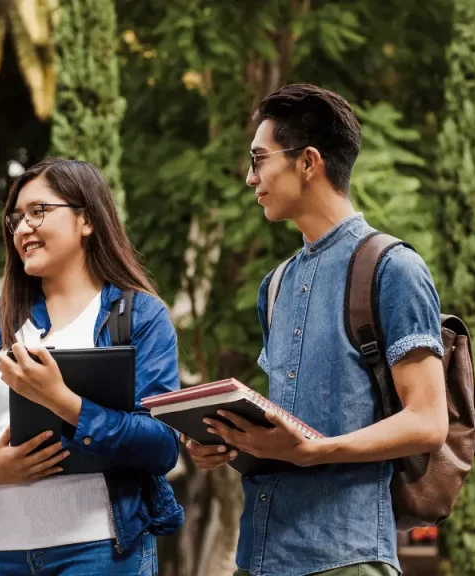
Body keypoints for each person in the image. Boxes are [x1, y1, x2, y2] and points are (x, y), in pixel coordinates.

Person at [184, 84, 449, 576]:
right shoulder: (276, 284)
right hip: (258, 556)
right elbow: (293, 423)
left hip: (344, 558)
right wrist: (230, 440)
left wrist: (315, 452)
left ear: (308, 162)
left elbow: (428, 422)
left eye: (259, 159)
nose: (250, 177)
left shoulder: (394, 268)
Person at [0, 158, 184, 575]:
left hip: (99, 551)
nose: (24, 227)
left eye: (39, 211)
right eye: (17, 219)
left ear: (87, 220)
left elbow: (162, 445)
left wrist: (65, 402)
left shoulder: (139, 316)